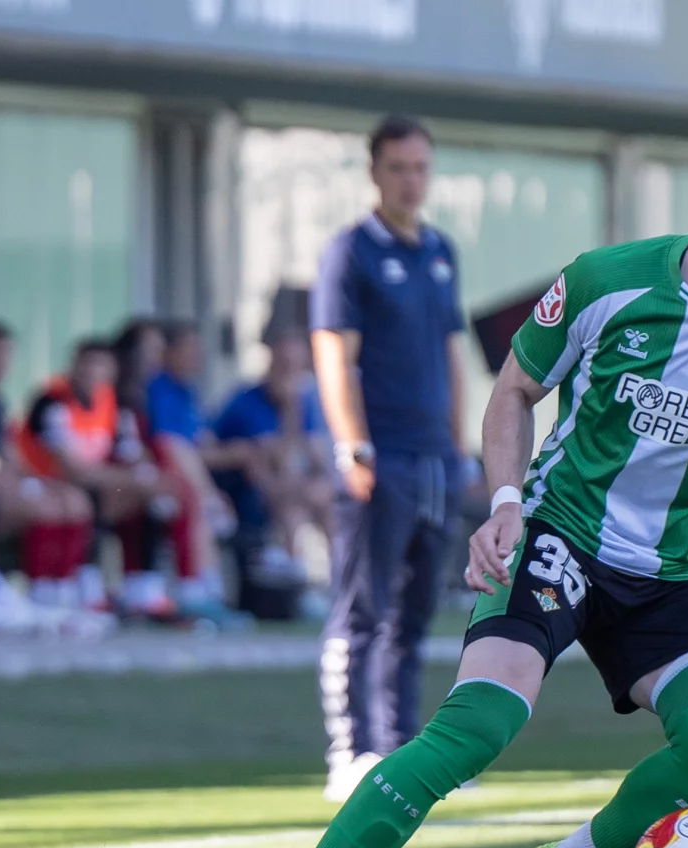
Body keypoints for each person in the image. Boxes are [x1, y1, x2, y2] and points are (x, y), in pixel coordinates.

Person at [237, 102, 688, 848]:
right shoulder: (609, 283)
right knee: (481, 722)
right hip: (558, 533)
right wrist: (505, 503)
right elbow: (513, 391)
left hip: (670, 574)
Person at [310, 115, 471, 802]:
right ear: (376, 173)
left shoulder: (440, 250)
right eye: (399, 167)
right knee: (362, 608)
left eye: (420, 167)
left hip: (435, 457)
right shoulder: (351, 252)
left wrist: (461, 445)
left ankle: (399, 749)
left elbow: (450, 354)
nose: (411, 180)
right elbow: (332, 354)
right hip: (381, 456)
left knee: (414, 613)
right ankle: (350, 751)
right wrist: (352, 445)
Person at [18, 338, 182, 618]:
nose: (94, 372)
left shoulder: (113, 405)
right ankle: (70, 583)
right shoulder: (52, 403)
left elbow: (129, 453)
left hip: (97, 482)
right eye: (88, 364)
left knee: (152, 495)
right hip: (43, 482)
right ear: (74, 366)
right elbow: (71, 468)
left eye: (102, 365)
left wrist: (147, 477)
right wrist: (128, 479)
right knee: (85, 496)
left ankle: (142, 586)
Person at [0, 321, 95, 631]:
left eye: (6, 355)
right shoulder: (52, 401)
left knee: (72, 499)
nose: (1, 363)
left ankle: (59, 591)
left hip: (1, 484)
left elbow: (8, 452)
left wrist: (33, 480)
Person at [145, 320, 247, 618]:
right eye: (189, 349)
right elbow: (169, 444)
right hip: (159, 475)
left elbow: (204, 443)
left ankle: (212, 593)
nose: (196, 357)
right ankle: (199, 595)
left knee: (212, 500)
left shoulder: (188, 391)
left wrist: (243, 453)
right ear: (169, 352)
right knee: (198, 502)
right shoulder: (158, 388)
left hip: (191, 476)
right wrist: (207, 491)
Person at [211, 317, 332, 569]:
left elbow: (314, 456)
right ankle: (293, 579)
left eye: (296, 366)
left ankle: (343, 580)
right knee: (291, 507)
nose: (290, 374)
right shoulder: (245, 401)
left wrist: (293, 410)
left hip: (289, 487)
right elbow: (265, 457)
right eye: (284, 364)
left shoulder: (307, 402)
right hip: (246, 491)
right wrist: (289, 413)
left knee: (325, 501)